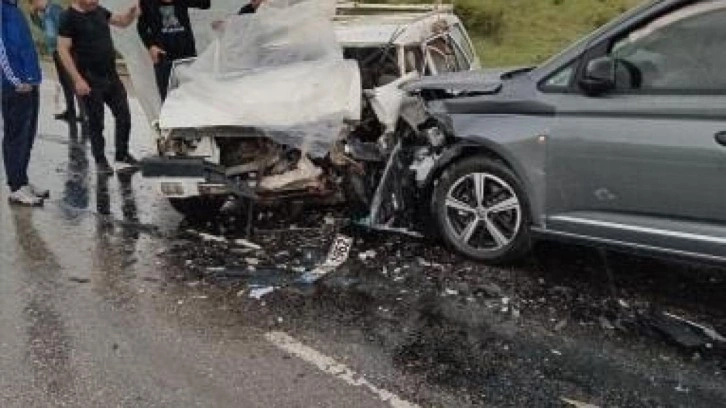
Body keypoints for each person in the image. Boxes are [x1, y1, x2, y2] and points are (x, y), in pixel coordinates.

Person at [58, 0, 140, 175]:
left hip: (111, 75)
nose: (95, 1)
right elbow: (63, 50)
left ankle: (122, 154)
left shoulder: (99, 10)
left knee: (124, 115)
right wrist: (77, 80)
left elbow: (122, 22)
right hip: (89, 79)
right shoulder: (68, 17)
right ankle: (100, 160)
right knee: (96, 122)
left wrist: (131, 14)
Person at [1, 0, 49, 206]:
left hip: (29, 81)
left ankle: (22, 180)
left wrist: (33, 77)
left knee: (28, 134)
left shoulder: (14, 8)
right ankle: (16, 187)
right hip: (15, 85)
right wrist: (15, 80)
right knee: (16, 135)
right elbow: (2, 47)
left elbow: (24, 45)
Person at [137, 0, 210, 100]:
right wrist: (151, 46)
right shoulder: (147, 2)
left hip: (186, 55)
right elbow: (142, 26)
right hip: (163, 57)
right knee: (168, 98)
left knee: (192, 95)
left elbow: (205, 4)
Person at [28, 0, 80, 122]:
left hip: (63, 51)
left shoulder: (54, 10)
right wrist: (33, 15)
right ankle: (71, 111)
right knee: (65, 82)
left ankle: (84, 113)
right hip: (56, 51)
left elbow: (66, 28)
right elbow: (43, 27)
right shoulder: (46, 13)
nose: (34, 6)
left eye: (33, 3)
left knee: (71, 81)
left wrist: (67, 49)